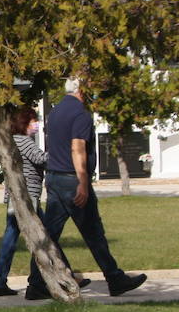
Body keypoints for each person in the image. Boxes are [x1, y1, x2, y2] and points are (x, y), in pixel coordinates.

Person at [23, 79, 147, 300]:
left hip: (54, 177)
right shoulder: (80, 114)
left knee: (50, 235)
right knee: (93, 232)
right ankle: (115, 278)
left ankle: (36, 283)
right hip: (72, 179)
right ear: (83, 90)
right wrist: (83, 181)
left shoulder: (56, 111)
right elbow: (77, 147)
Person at [0, 108, 46, 296]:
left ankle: (1, 281)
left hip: (16, 197)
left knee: (12, 237)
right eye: (33, 121)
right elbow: (41, 159)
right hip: (27, 197)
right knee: (43, 236)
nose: (36, 125)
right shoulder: (24, 141)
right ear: (24, 123)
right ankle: (37, 281)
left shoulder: (12, 141)